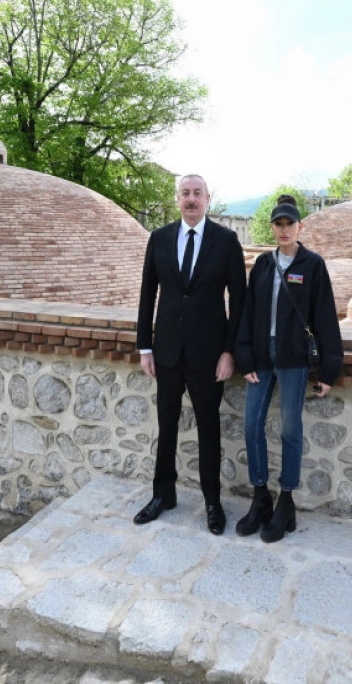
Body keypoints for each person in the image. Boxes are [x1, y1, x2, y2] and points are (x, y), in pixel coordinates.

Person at [134, 174, 246, 535]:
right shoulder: (160, 238)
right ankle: (162, 495)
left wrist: (229, 352)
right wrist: (145, 346)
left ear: (208, 198)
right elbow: (147, 294)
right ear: (177, 199)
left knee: (208, 429)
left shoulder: (226, 241)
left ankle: (212, 502)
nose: (191, 199)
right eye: (185, 193)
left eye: (197, 193)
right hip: (166, 351)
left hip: (208, 354)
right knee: (166, 426)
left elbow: (239, 301)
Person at [233, 195, 343, 543]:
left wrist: (329, 369)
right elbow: (248, 312)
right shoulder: (263, 265)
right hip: (261, 357)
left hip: (294, 358)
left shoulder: (312, 265)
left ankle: (286, 501)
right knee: (252, 425)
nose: (284, 230)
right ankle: (260, 497)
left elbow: (324, 315)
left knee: (291, 430)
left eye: (289, 224)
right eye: (278, 224)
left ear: (300, 227)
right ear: (272, 228)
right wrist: (244, 356)